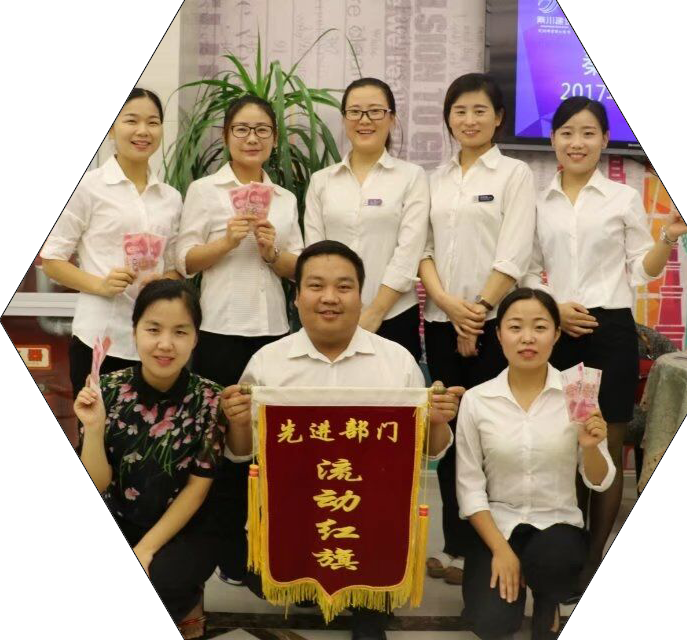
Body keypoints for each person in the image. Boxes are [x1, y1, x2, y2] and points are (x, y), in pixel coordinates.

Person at [221, 240, 463, 640]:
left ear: (360, 295)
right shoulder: (268, 363)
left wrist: (437, 422)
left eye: (344, 286)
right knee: (265, 576)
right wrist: (238, 422)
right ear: (297, 297)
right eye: (316, 286)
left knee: (375, 578)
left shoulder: (396, 362)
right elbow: (242, 452)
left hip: (373, 517)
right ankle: (310, 585)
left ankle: (369, 607)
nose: (330, 298)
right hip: (298, 513)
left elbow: (429, 452)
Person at [524, 96, 687, 588]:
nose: (577, 142)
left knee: (608, 443)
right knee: (570, 443)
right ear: (553, 139)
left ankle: (594, 562)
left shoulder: (621, 198)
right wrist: (554, 308)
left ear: (603, 140)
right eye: (567, 133)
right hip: (560, 331)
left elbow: (641, 269)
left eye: (588, 133)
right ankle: (569, 551)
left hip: (611, 332)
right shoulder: (538, 201)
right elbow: (528, 269)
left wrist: (668, 237)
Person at [176, 95, 304, 584]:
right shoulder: (205, 190)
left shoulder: (285, 198)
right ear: (227, 136)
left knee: (270, 449)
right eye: (242, 130)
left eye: (262, 130)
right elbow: (186, 260)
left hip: (272, 335)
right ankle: (228, 557)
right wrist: (227, 242)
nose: (253, 138)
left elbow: (299, 268)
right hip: (218, 332)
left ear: (274, 138)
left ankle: (268, 552)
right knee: (222, 447)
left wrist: (271, 252)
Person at [74, 279, 242, 639]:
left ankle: (187, 600)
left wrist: (145, 550)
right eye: (153, 329)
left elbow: (198, 489)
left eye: (180, 332)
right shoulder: (106, 390)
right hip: (121, 517)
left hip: (187, 527)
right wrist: (95, 428)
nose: (165, 344)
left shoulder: (211, 399)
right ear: (134, 332)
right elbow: (97, 483)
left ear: (195, 338)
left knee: (161, 583)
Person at [419, 73, 537, 584]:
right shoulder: (434, 179)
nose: (469, 120)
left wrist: (479, 311)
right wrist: (451, 307)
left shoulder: (515, 174)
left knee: (490, 434)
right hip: (440, 321)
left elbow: (514, 252)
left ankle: (495, 546)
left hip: (497, 326)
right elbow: (421, 251)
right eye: (460, 110)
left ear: (499, 118)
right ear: (448, 118)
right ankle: (455, 547)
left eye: (479, 110)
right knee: (448, 432)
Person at [456, 287, 615, 640]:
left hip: (557, 524)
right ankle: (511, 582)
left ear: (556, 334)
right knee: (490, 622)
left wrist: (591, 448)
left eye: (540, 327)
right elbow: (469, 487)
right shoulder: (477, 400)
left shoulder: (578, 393)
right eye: (515, 327)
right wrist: (501, 551)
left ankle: (548, 598)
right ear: (499, 335)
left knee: (554, 562)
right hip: (499, 525)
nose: (527, 338)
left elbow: (600, 480)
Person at [41, 88, 182, 400]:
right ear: (111, 128)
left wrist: (163, 282)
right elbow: (51, 260)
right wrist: (101, 285)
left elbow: (174, 267)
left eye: (153, 122)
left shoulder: (171, 198)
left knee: (151, 429)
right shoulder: (87, 187)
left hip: (155, 345)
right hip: (99, 337)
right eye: (131, 120)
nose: (143, 131)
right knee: (95, 426)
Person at [304, 78, 429, 361]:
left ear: (392, 119)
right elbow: (315, 254)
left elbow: (409, 252)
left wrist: (374, 313)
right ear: (344, 118)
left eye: (375, 111)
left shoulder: (412, 177)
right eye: (355, 112)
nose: (364, 120)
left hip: (394, 316)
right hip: (331, 315)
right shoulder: (321, 181)